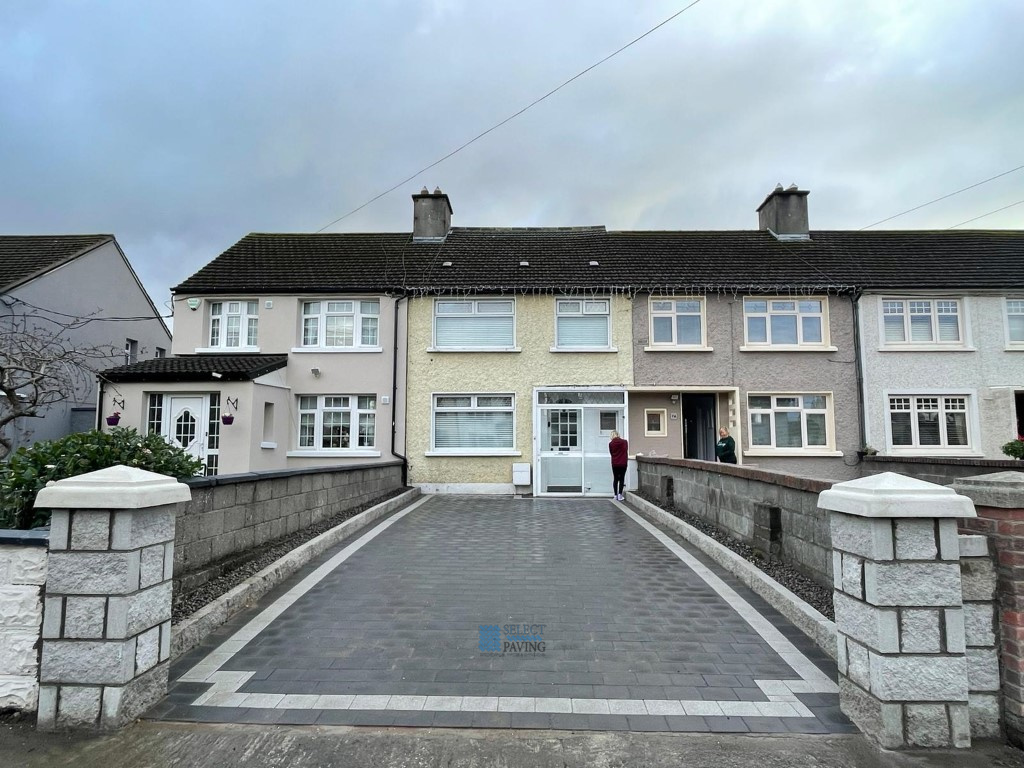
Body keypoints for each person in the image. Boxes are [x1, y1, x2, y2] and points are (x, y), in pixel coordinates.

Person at [608, 430, 629, 500]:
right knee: (622, 478)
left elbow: (611, 453)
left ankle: (615, 495)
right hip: (623, 463)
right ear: (618, 435)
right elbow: (626, 450)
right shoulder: (625, 442)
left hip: (615, 463)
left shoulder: (611, 444)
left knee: (615, 479)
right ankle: (620, 495)